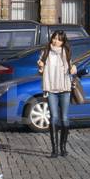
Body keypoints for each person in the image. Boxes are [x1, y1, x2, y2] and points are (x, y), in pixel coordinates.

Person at [37, 30, 77, 158]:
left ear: (63, 42)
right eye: (54, 38)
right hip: (51, 89)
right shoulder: (46, 52)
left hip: (65, 88)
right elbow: (41, 71)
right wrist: (41, 67)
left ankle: (63, 148)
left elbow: (72, 68)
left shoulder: (67, 52)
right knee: (54, 118)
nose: (56, 41)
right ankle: (54, 149)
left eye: (59, 39)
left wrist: (73, 68)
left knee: (64, 118)